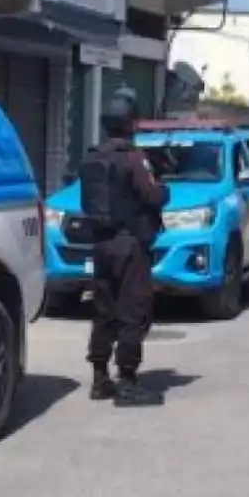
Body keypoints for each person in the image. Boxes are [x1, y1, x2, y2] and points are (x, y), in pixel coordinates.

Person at [77, 93, 170, 407]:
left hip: (100, 244)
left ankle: (100, 378)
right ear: (130, 123)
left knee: (104, 311)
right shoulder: (133, 157)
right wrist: (164, 188)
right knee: (134, 311)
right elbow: (152, 195)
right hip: (129, 244)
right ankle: (127, 381)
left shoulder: (91, 157)